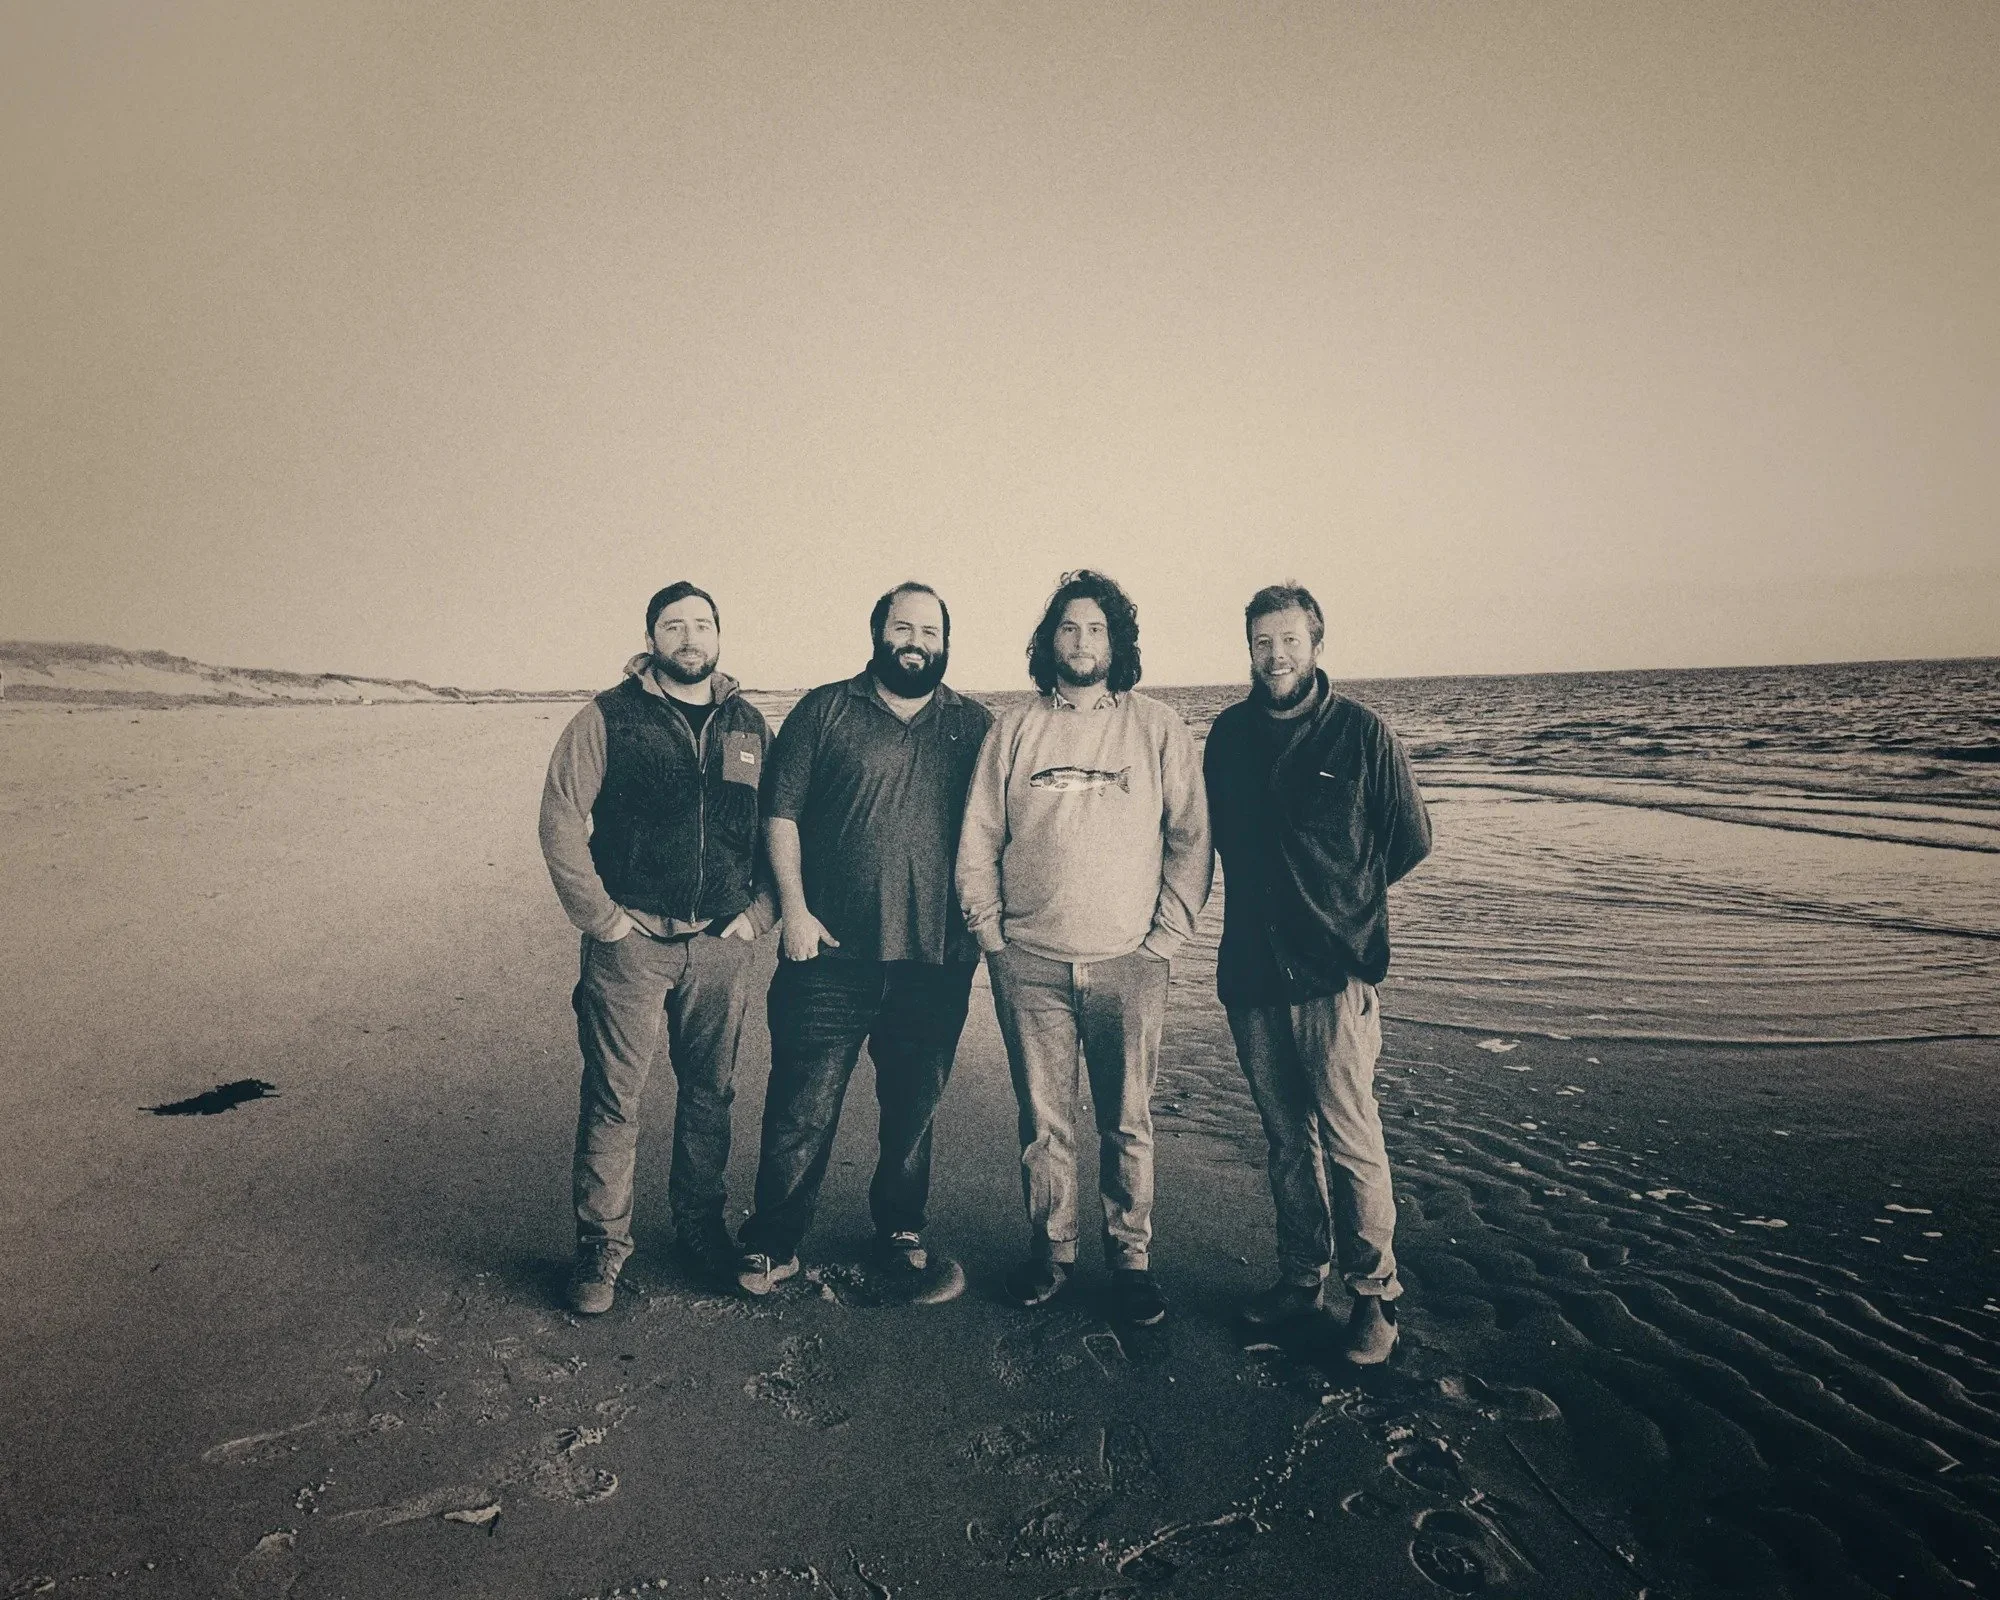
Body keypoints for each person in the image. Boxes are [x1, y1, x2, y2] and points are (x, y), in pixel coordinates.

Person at [957, 570, 1212, 1327]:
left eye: (1096, 628)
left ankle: (1130, 1260)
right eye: (1068, 627)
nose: (1081, 641)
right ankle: (1053, 1250)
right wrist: (991, 935)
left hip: (1129, 962)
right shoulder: (1014, 729)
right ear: (1050, 642)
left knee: (1126, 1120)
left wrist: (1164, 938)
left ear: (1116, 642)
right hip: (1029, 961)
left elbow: (1191, 838)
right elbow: (979, 837)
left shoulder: (1156, 727)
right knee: (1045, 1121)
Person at [734, 582, 993, 1300]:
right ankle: (774, 1242)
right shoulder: (825, 710)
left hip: (936, 960)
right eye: (903, 628)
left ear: (947, 642)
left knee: (913, 1112)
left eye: (930, 632)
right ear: (878, 633)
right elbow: (779, 816)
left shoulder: (974, 726)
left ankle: (901, 1230)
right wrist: (793, 912)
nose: (916, 642)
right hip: (828, 956)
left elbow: (1007, 829)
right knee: (801, 1109)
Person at [1202, 582, 1432, 1363]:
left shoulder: (1362, 734)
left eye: (1290, 641)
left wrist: (1343, 907)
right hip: (1251, 972)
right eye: (1263, 642)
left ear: (1316, 643)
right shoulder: (1228, 737)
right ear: (1250, 648)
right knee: (1284, 1139)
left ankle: (1375, 1297)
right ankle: (1302, 1279)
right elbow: (1210, 839)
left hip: (1334, 976)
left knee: (1351, 1137)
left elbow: (1410, 840)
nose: (1276, 657)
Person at [539, 582, 775, 1315]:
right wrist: (604, 920)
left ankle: (701, 1230)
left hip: (721, 945)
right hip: (630, 945)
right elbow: (560, 819)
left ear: (719, 635)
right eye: (674, 626)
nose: (689, 637)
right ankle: (601, 1248)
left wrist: (759, 914)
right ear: (651, 639)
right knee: (615, 1098)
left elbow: (778, 825)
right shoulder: (607, 717)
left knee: (711, 1093)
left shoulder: (748, 725)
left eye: (702, 624)